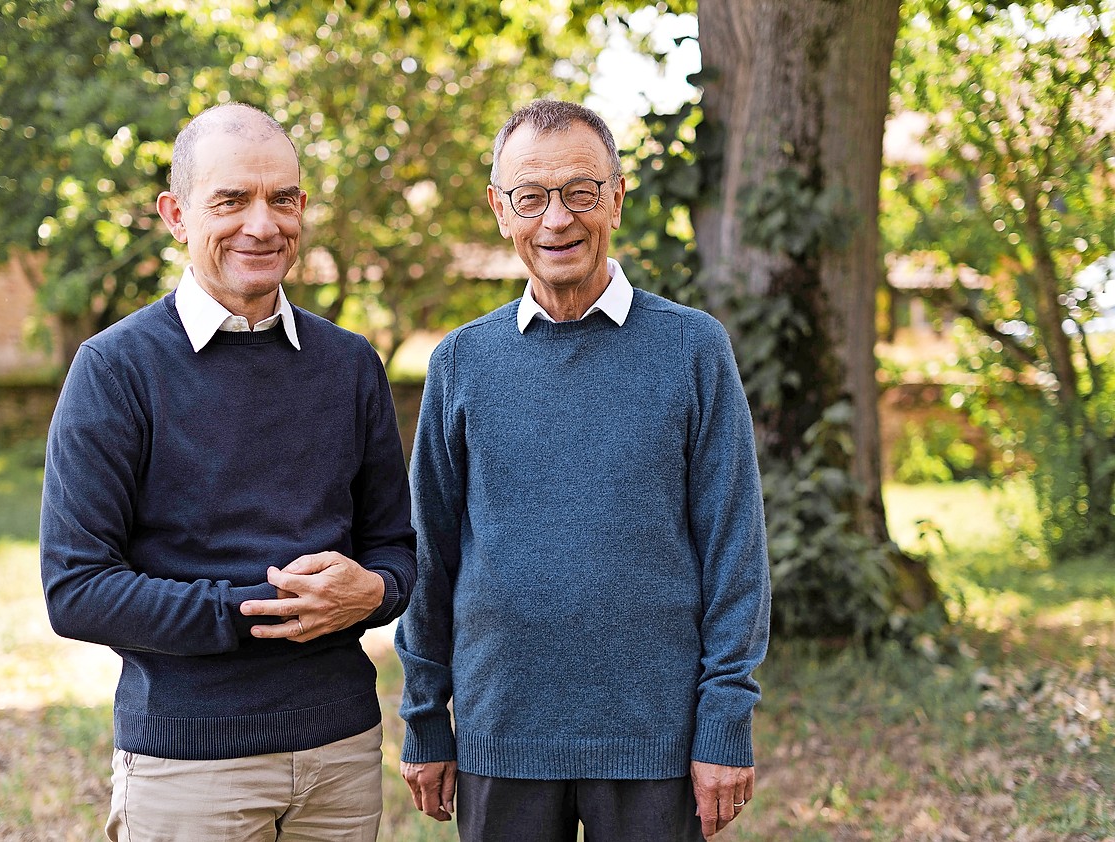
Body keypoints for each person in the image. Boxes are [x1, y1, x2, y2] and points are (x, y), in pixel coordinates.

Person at [394, 99, 771, 841]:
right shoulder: (461, 362)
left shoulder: (694, 349)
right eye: (530, 198)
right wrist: (423, 716)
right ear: (501, 211)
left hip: (654, 739)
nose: (556, 220)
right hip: (501, 732)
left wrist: (725, 721)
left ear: (617, 199)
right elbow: (427, 556)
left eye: (580, 193)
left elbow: (736, 550)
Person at [40, 102, 416, 842]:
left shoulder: (350, 366)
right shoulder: (115, 370)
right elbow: (76, 589)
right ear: (177, 215)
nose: (262, 222)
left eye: (282, 198)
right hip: (189, 762)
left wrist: (371, 591)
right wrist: (259, 610)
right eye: (231, 200)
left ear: (302, 208)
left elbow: (396, 549)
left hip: (339, 753)